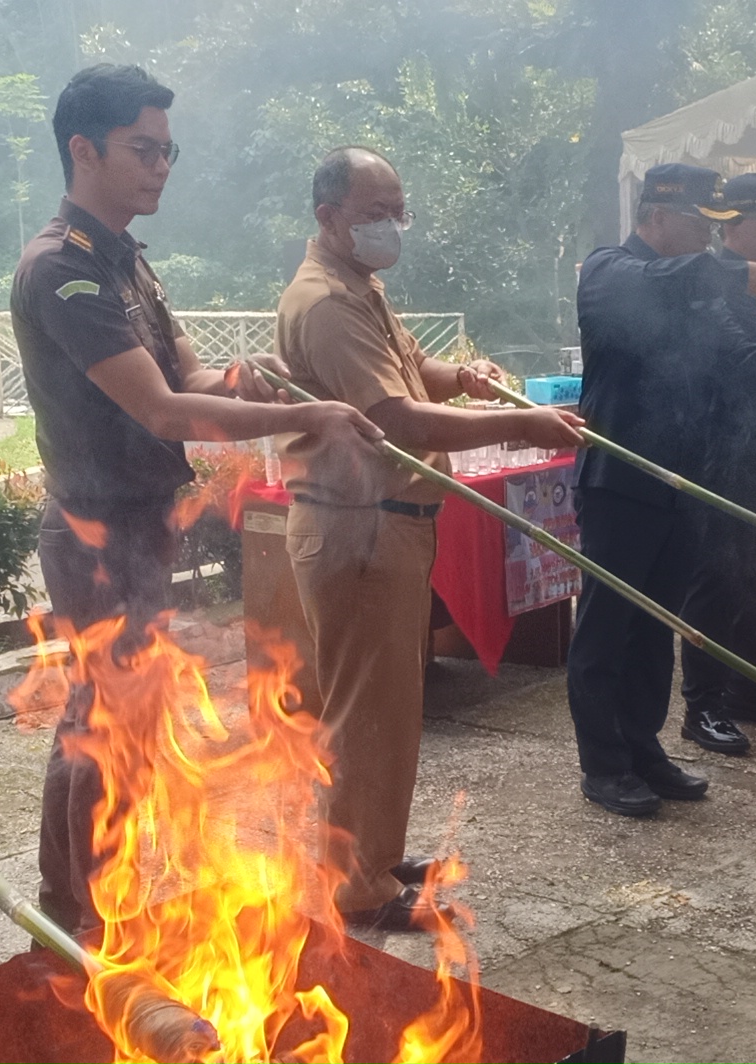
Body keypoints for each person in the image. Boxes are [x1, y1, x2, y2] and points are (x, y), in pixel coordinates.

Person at [14, 65, 384, 939]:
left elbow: (192, 377)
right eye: (144, 149)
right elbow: (163, 409)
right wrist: (303, 415)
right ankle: (83, 912)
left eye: (168, 150)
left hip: (143, 524)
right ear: (83, 148)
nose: (161, 167)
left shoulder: (127, 262)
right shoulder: (60, 273)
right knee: (103, 721)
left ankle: (90, 898)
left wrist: (251, 378)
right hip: (95, 530)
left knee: (120, 720)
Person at [276, 146, 585, 929]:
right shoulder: (325, 303)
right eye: (375, 211)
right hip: (358, 530)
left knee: (388, 705)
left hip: (387, 530)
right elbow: (395, 420)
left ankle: (372, 853)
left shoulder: (360, 287)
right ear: (329, 216)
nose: (391, 225)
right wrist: (522, 422)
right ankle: (357, 885)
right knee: (364, 711)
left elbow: (413, 374)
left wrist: (464, 376)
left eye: (397, 209)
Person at [566, 163, 756, 818]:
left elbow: (736, 367)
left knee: (657, 627)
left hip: (686, 482)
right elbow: (659, 279)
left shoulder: (694, 289)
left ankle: (643, 746)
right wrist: (742, 271)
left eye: (713, 229)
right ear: (656, 216)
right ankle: (603, 765)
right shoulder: (609, 272)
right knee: (607, 628)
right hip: (622, 484)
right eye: (698, 225)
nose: (706, 241)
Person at [676, 173, 756, 756]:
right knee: (717, 576)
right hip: (714, 449)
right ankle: (702, 703)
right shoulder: (705, 285)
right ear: (733, 225)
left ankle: (746, 686)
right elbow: (739, 363)